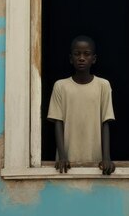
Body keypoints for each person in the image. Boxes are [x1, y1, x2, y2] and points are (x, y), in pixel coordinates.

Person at [47, 35, 116, 175]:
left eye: (87, 54)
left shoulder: (103, 85)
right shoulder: (61, 86)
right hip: (67, 164)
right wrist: (62, 157)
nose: (82, 58)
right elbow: (58, 122)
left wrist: (106, 158)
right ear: (71, 59)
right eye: (77, 54)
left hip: (95, 163)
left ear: (94, 59)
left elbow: (105, 122)